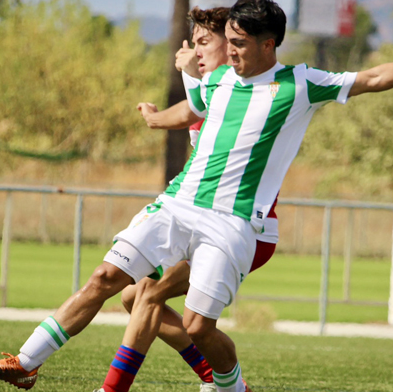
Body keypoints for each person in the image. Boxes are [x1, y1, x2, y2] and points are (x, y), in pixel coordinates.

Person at [0, 1, 393, 391]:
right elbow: (187, 111)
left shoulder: (300, 85)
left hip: (233, 223)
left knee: (197, 325)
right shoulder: (215, 82)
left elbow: (372, 77)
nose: (227, 49)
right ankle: (24, 364)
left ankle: (232, 386)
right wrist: (153, 115)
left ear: (268, 44)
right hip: (177, 203)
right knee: (107, 279)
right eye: (226, 40)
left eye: (237, 42)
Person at [96, 7, 277, 392]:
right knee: (133, 296)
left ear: (231, 47)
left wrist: (189, 78)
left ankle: (114, 389)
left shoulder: (237, 92)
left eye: (203, 43)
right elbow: (190, 111)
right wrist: (163, 107)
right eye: (193, 44)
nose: (195, 51)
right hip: (208, 219)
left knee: (147, 294)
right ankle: (215, 375)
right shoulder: (212, 89)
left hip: (245, 229)